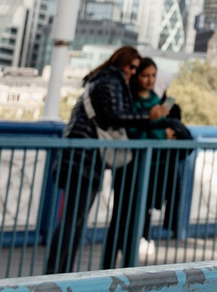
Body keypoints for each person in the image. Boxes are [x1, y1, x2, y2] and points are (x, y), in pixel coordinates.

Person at [47, 46, 144, 273]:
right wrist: (148, 117)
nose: (132, 72)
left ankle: (61, 270)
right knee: (74, 219)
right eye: (131, 66)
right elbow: (112, 116)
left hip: (82, 155)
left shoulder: (101, 79)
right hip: (84, 157)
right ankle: (56, 273)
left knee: (75, 219)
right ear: (121, 62)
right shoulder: (110, 80)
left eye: (136, 69)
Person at [129, 59, 194, 247]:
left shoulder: (156, 101)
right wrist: (162, 134)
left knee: (147, 202)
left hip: (158, 162)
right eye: (145, 75)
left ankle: (142, 238)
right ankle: (139, 239)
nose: (150, 81)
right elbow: (136, 128)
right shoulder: (139, 100)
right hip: (143, 161)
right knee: (141, 202)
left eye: (153, 76)